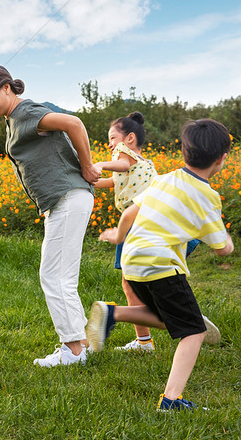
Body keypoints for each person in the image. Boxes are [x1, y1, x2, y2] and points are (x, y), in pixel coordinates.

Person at [86, 119, 234, 411]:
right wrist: (227, 240)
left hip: (133, 258)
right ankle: (171, 400)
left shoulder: (166, 178)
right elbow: (222, 250)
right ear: (221, 159)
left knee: (168, 317)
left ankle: (112, 314)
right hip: (161, 264)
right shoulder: (207, 197)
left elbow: (131, 212)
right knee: (193, 332)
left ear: (184, 152)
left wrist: (118, 235)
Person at [0, 65, 100, 367]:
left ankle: (73, 350)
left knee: (54, 276)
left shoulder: (26, 112)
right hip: (63, 200)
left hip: (67, 197)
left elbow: (74, 123)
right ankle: (81, 344)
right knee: (61, 275)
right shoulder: (15, 119)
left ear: (6, 87)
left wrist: (86, 166)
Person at [93, 112, 159, 352]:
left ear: (130, 138)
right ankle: (145, 339)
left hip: (135, 226)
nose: (110, 144)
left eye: (112, 138)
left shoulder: (127, 158)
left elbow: (121, 164)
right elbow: (112, 181)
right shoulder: (142, 163)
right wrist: (87, 180)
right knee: (133, 282)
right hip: (148, 225)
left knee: (131, 284)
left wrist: (99, 164)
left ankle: (145, 340)